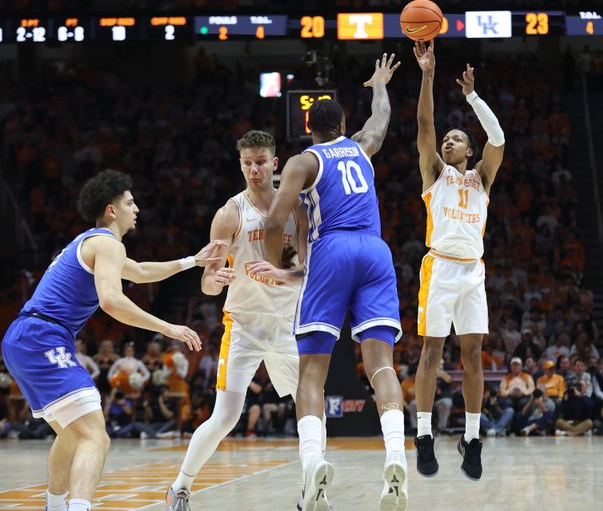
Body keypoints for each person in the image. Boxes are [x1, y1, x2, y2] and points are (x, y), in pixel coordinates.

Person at [246, 54, 408, 510]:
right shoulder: (362, 146)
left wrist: (277, 268)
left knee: (312, 372)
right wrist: (378, 83)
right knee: (381, 367)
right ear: (342, 123)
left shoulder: (302, 161)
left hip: (332, 249)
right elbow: (381, 118)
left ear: (309, 129)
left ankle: (314, 463)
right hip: (376, 250)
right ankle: (396, 453)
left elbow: (276, 222)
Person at [1, 170, 215, 511]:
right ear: (111, 210)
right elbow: (111, 301)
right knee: (95, 437)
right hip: (43, 337)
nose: (137, 209)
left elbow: (142, 271)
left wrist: (192, 260)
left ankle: (55, 507)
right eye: (130, 202)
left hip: (24, 337)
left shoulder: (92, 243)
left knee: (72, 434)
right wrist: (168, 327)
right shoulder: (107, 244)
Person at [166, 129, 317, 511]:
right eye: (247, 162)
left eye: (260, 162)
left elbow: (308, 269)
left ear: (275, 163)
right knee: (226, 416)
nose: (254, 169)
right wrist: (213, 279)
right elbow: (207, 283)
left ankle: (312, 494)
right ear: (241, 164)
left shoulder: (297, 208)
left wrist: (287, 273)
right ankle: (180, 486)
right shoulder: (229, 213)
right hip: (245, 324)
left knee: (310, 408)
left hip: (287, 322)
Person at [410, 40, 505, 481]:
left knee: (473, 356)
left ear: (469, 150)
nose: (448, 141)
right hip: (440, 268)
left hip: (473, 273)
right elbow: (425, 122)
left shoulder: (482, 177)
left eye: (457, 138)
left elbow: (498, 138)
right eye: (447, 139)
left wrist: (472, 96)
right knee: (431, 352)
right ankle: (424, 435)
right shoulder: (435, 173)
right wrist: (428, 74)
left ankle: (472, 438)